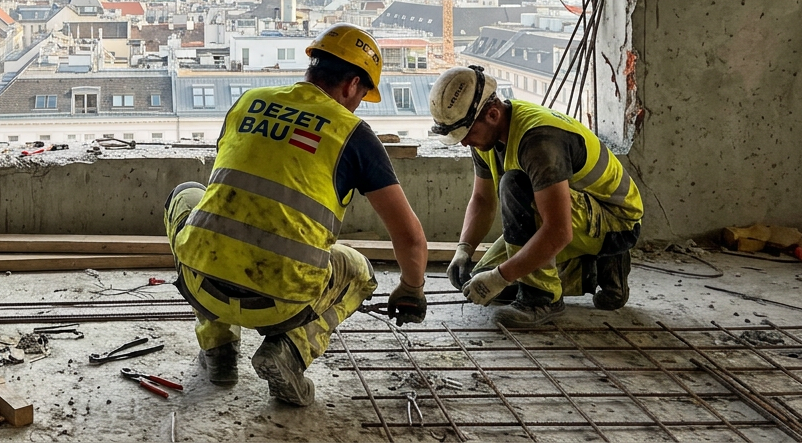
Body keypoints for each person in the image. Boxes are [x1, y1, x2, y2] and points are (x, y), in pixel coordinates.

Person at [165, 24, 430, 406]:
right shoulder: (354, 134)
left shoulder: (248, 101)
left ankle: (218, 349)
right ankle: (289, 351)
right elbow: (409, 237)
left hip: (204, 285)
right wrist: (412, 289)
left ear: (313, 67)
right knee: (358, 271)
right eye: (361, 95)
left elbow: (224, 200)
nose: (357, 104)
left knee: (187, 197)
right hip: (282, 304)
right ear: (353, 84)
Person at [428, 66, 644, 326]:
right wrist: (464, 250)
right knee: (485, 282)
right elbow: (483, 201)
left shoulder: (539, 141)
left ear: (493, 114)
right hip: (576, 214)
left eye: (466, 135)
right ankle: (596, 271)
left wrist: (502, 276)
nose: (463, 143)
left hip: (615, 221)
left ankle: (541, 298)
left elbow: (558, 230)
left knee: (513, 186)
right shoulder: (484, 135)